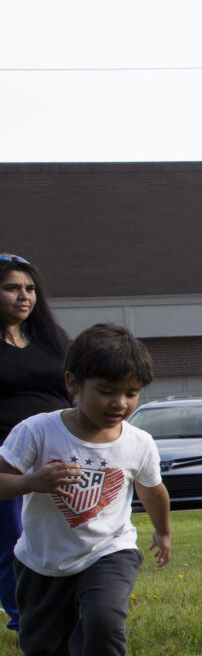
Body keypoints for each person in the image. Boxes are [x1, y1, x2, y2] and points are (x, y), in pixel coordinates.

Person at [0, 324, 170, 656]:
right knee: (42, 641)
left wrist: (162, 532)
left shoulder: (139, 442)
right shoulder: (38, 431)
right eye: (108, 390)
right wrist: (31, 482)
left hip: (109, 550)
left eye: (132, 393)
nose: (120, 403)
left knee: (105, 619)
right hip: (41, 558)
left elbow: (152, 489)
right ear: (73, 384)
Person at [0, 253, 73, 634]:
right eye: (11, 287)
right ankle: (25, 620)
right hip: (7, 457)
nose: (23, 296)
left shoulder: (51, 339)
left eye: (29, 288)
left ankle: (71, 609)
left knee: (66, 531)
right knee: (14, 540)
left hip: (60, 450)